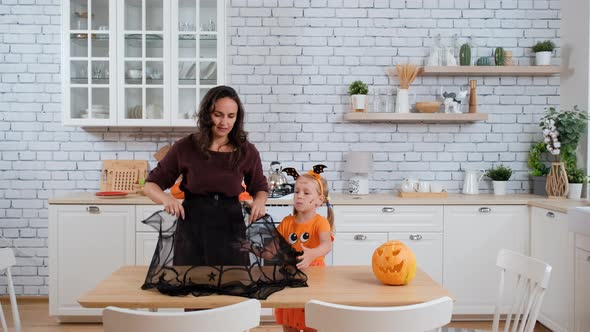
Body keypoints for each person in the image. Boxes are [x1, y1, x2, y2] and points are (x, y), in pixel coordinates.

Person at [143, 85, 268, 266]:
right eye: (218, 114)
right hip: (192, 229)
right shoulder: (185, 147)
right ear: (206, 114)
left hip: (231, 230)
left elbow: (260, 187)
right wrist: (166, 199)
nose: (224, 122)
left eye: (230, 116)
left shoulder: (247, 151)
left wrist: (259, 201)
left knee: (232, 287)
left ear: (237, 118)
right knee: (190, 285)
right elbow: (150, 185)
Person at [274, 169, 335, 332]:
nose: (299, 196)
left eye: (306, 193)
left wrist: (312, 253)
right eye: (296, 191)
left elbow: (326, 245)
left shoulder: (320, 223)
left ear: (319, 200)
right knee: (289, 321)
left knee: (311, 321)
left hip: (314, 278)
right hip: (290, 278)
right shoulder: (287, 222)